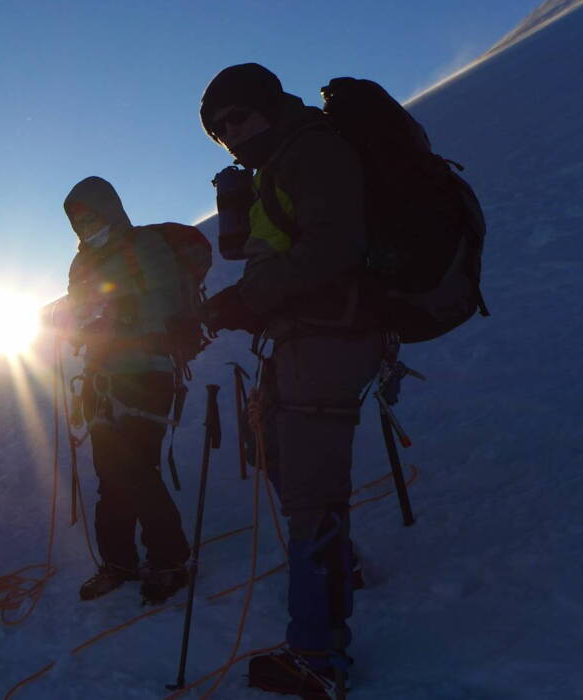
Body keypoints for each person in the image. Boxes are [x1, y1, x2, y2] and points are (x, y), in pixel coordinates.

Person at [199, 63, 387, 696]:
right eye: (219, 129)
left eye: (238, 116)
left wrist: (249, 299)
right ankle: (337, 576)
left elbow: (333, 247)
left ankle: (318, 653)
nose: (231, 132)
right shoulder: (278, 163)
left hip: (328, 337)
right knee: (282, 459)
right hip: (301, 337)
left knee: (310, 492)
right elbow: (271, 253)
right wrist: (248, 299)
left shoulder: (310, 150)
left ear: (270, 104)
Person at [56, 176, 194, 605]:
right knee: (111, 475)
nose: (83, 227)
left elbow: (170, 300)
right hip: (102, 376)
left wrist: (116, 313)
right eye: (77, 221)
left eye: (89, 216)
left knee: (136, 471)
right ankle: (119, 562)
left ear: (109, 209)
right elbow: (78, 310)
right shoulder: (81, 265)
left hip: (147, 372)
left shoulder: (144, 247)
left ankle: (169, 560)